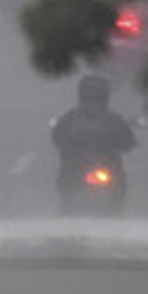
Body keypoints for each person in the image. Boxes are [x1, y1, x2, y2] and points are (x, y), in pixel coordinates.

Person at [50, 74, 136, 214]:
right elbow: (128, 142)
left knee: (66, 183)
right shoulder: (114, 119)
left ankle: (69, 210)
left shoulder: (70, 118)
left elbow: (56, 138)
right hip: (86, 171)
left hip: (83, 171)